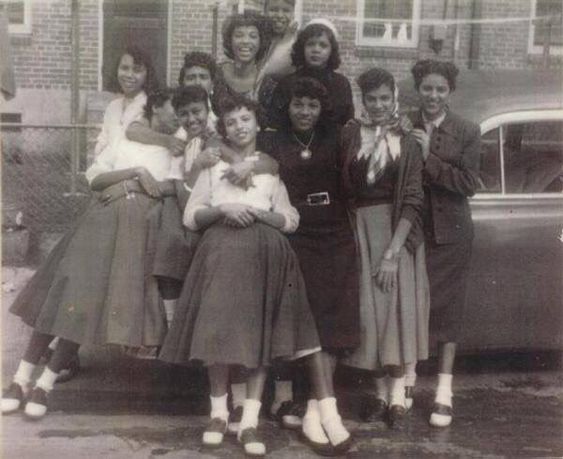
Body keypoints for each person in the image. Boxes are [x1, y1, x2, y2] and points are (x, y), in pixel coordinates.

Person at [159, 95, 352, 457]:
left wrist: (259, 213)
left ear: (257, 124)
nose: (240, 127)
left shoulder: (271, 170)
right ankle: (218, 413)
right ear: (224, 128)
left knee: (257, 334)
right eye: (232, 122)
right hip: (220, 253)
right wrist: (223, 209)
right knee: (216, 332)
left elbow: (290, 219)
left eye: (245, 119)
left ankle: (249, 421)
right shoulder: (213, 166)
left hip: (264, 255)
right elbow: (191, 215)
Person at [0, 61, 192, 421]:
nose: (175, 124)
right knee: (64, 292)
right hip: (99, 224)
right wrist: (132, 173)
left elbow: (175, 187)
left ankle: (45, 383)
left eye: (179, 119)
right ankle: (20, 379)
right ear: (153, 111)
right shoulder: (127, 138)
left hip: (135, 235)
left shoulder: (177, 149)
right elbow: (95, 179)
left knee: (84, 304)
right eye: (169, 116)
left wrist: (137, 184)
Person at [259, 77, 359, 435]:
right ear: (287, 106)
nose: (304, 111)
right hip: (295, 229)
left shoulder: (337, 136)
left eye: (312, 105)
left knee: (331, 315)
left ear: (322, 109)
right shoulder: (271, 139)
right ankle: (285, 396)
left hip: (333, 231)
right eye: (298, 104)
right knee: (295, 313)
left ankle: (317, 406)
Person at [340, 68, 429, 430]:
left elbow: (412, 198)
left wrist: (393, 253)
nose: (378, 105)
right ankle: (378, 393)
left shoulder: (406, 140)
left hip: (396, 235)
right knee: (370, 315)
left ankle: (397, 395)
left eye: (384, 98)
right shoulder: (350, 135)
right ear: (364, 100)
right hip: (359, 231)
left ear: (394, 99)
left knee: (395, 312)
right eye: (371, 99)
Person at [408, 59, 481, 427]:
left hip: (451, 234)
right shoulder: (406, 123)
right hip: (412, 230)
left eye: (440, 89)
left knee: (447, 312)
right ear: (417, 89)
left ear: (449, 92)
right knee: (410, 306)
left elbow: (469, 183)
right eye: (427, 88)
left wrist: (428, 158)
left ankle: (443, 392)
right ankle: (404, 384)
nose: (433, 95)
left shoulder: (466, 130)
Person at [268, 18, 354, 130]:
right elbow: (277, 123)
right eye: (310, 44)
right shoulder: (287, 83)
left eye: (323, 45)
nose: (316, 50)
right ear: (302, 48)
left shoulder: (341, 84)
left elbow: (347, 124)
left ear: (331, 50)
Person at [214, 10, 272, 101]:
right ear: (230, 40)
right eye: (239, 35)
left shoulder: (267, 84)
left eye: (252, 36)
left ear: (261, 42)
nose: (245, 41)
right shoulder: (215, 74)